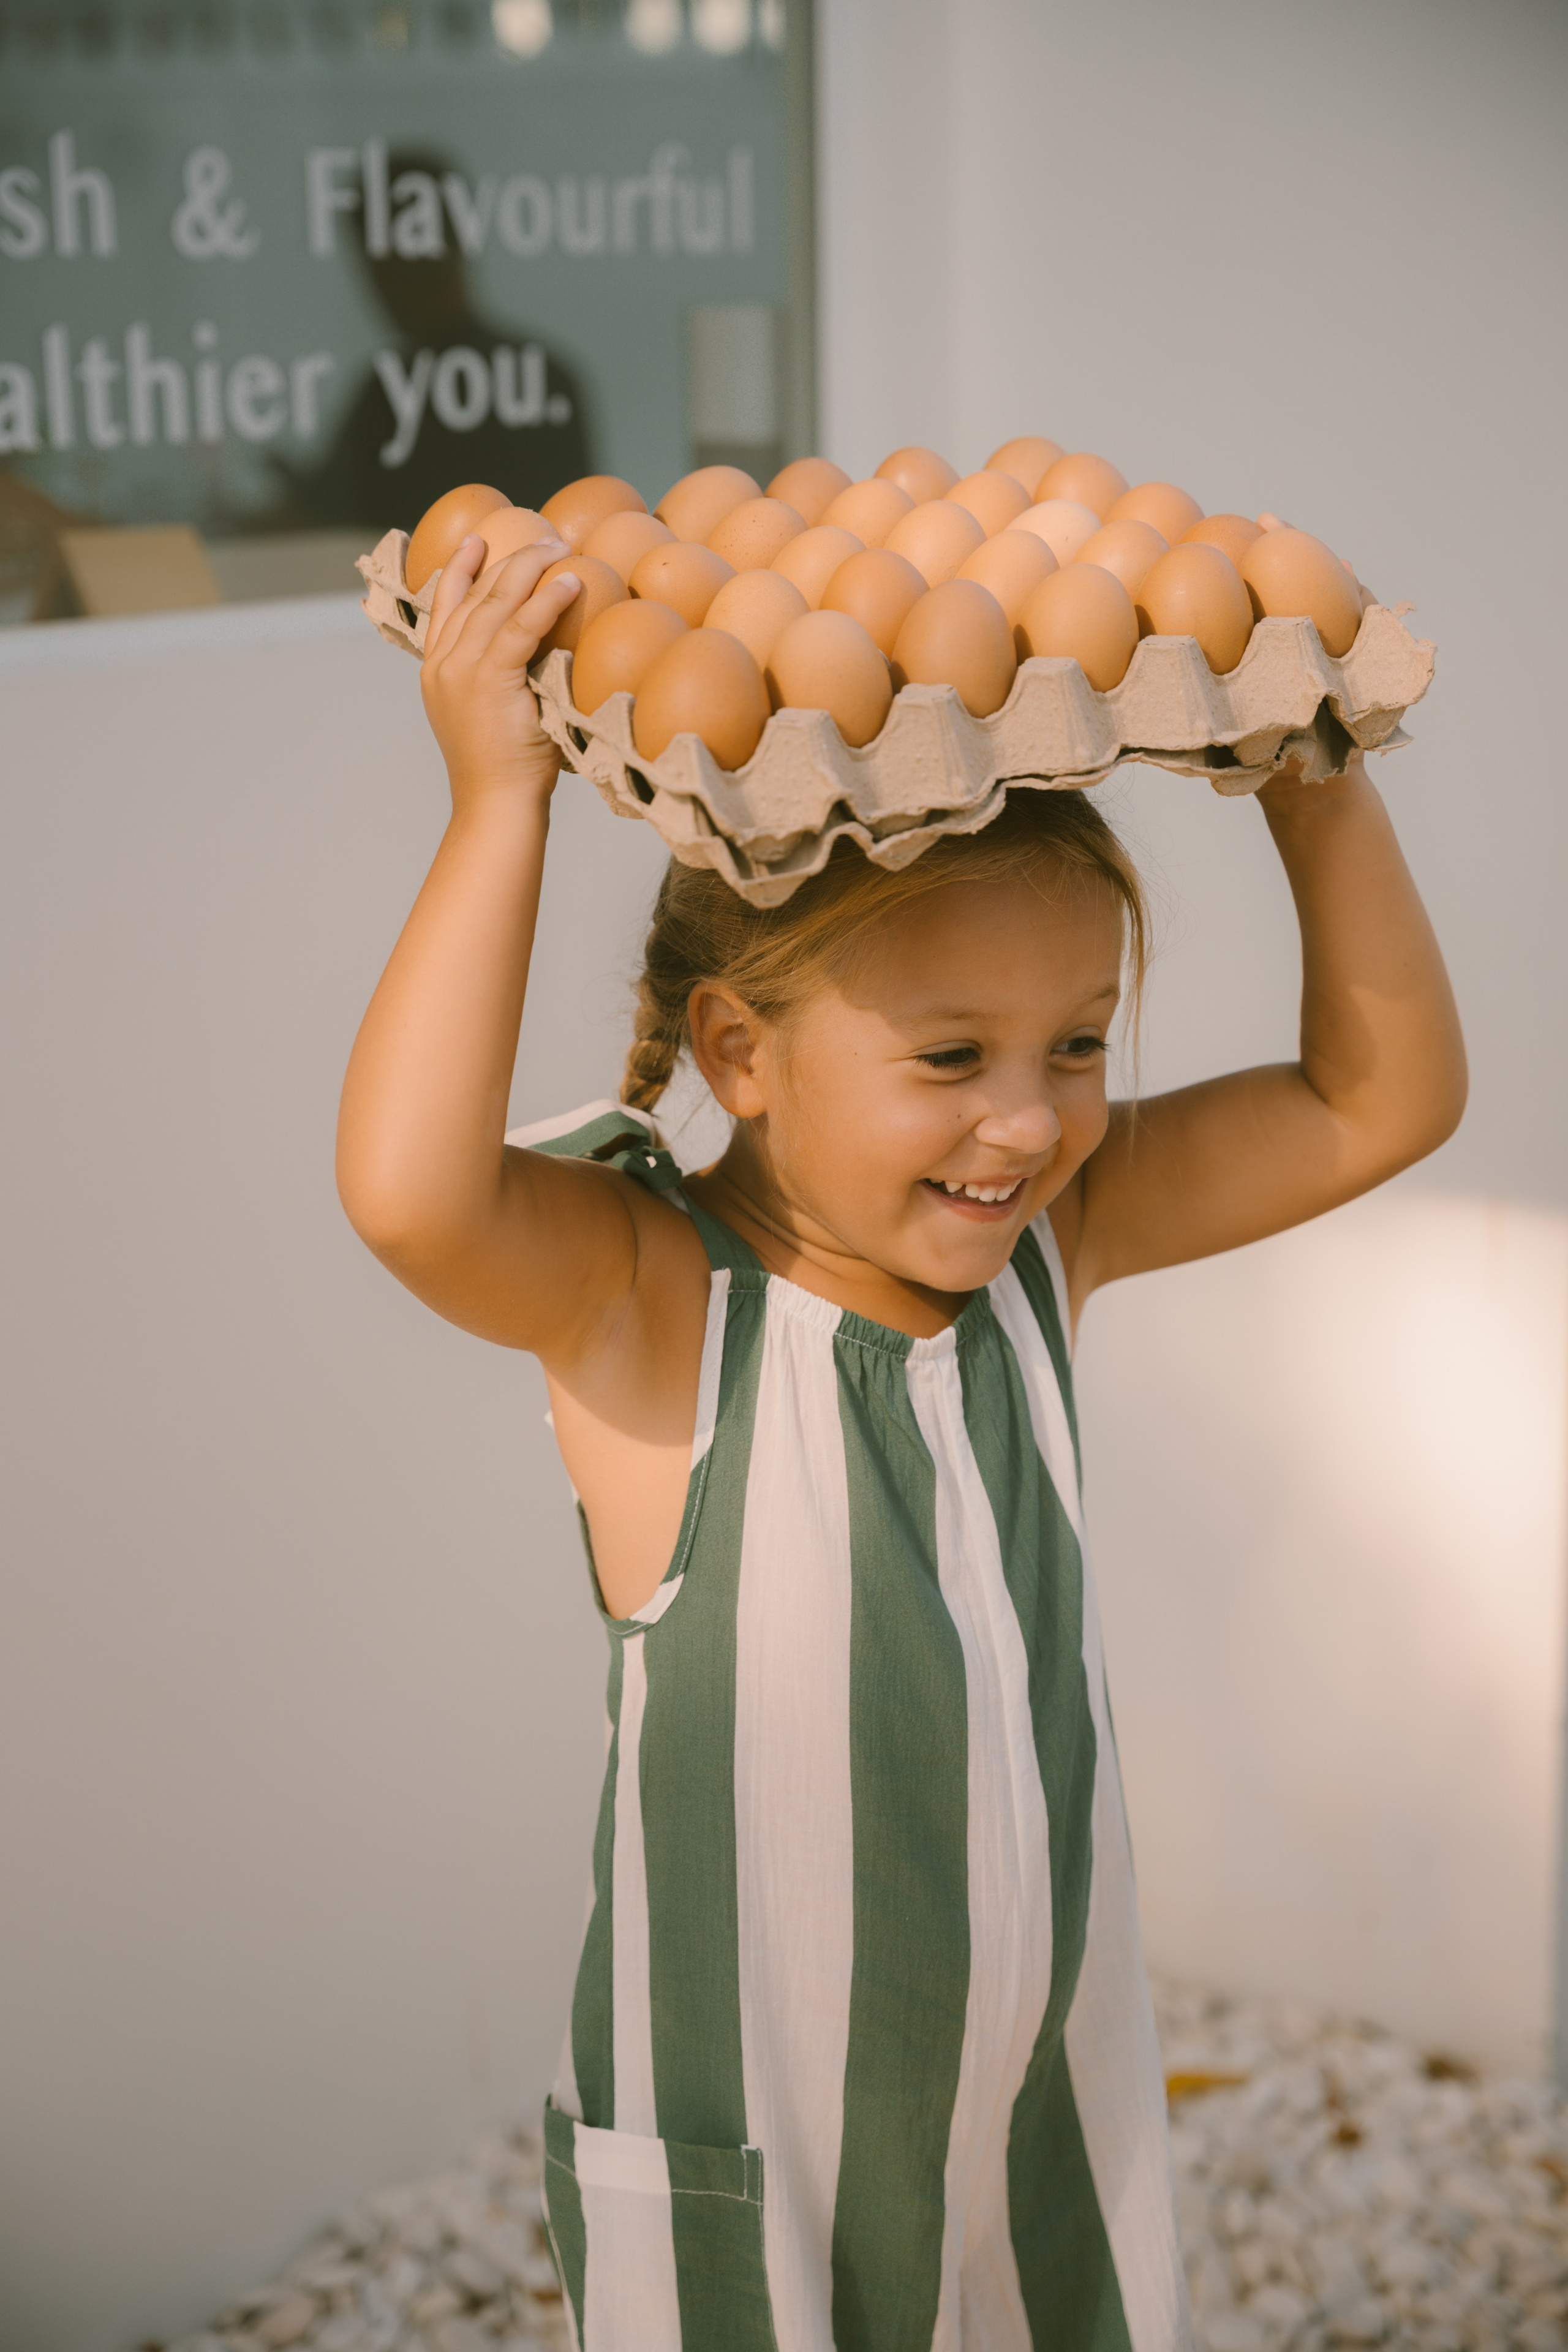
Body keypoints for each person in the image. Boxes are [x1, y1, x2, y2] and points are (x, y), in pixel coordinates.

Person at [335, 536, 1466, 2351]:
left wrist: (1309, 774)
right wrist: (495, 809)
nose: (1028, 1123)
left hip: (1037, 2119)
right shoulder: (655, 1300)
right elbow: (411, 1197)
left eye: (1079, 1044)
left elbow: (1378, 1095)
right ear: (740, 1050)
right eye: (951, 1060)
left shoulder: (1046, 1254)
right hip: (762, 2177)